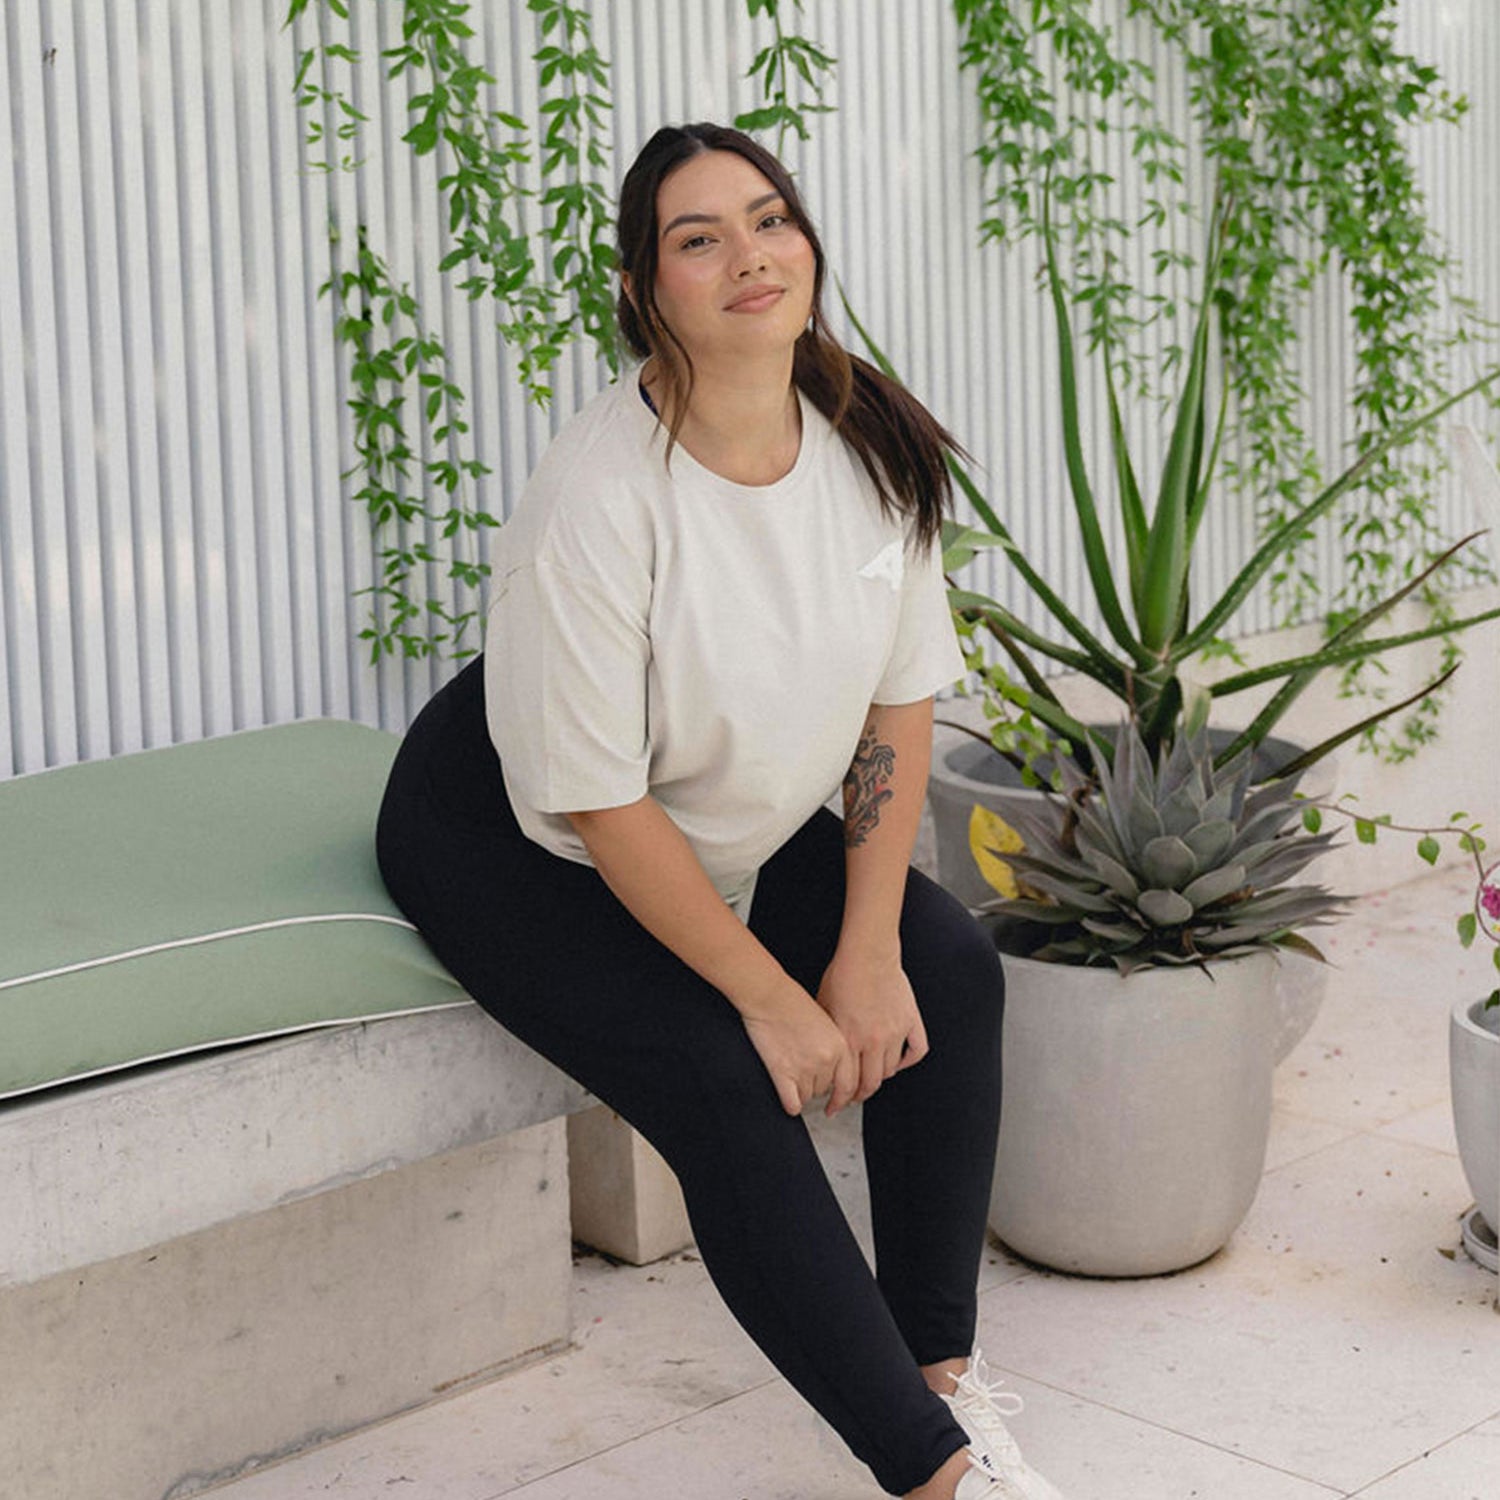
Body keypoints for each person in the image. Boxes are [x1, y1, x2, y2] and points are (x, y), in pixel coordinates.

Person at [376, 121, 1066, 1500]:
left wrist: (866, 951)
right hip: (524, 836)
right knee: (727, 1084)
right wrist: (772, 996)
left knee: (949, 971)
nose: (750, 256)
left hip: (706, 806)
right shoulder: (597, 500)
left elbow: (898, 706)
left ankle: (938, 1378)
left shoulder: (867, 438)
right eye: (699, 238)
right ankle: (930, 1476)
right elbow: (603, 804)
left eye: (770, 220)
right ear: (646, 290)